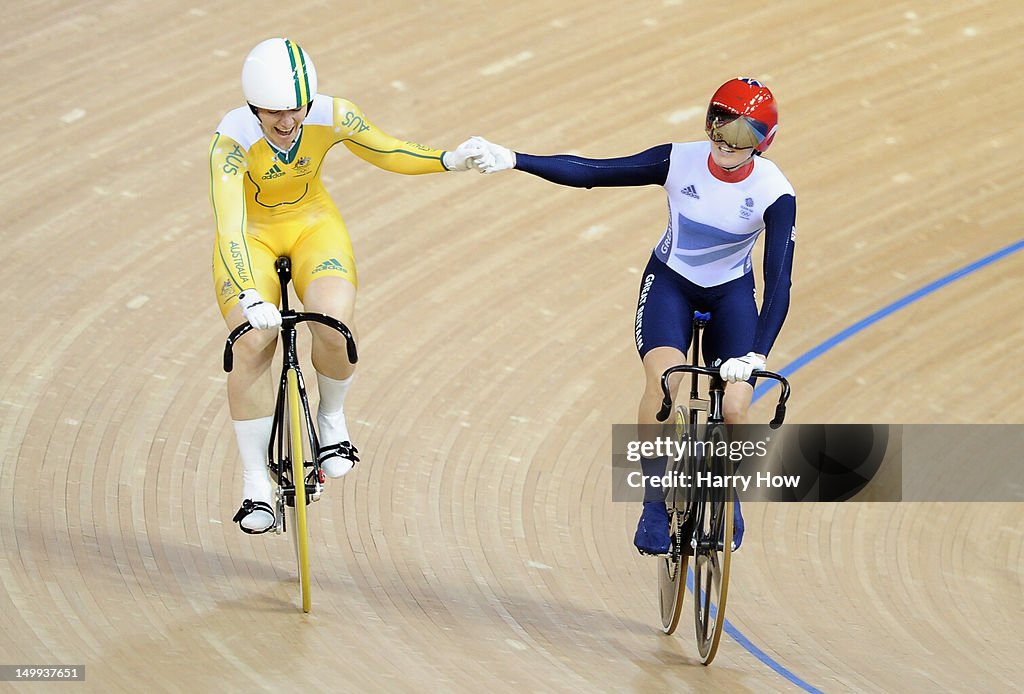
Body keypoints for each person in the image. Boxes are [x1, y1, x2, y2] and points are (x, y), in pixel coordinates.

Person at [466, 78, 796, 554]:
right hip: (671, 285)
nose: (724, 142)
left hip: (732, 296)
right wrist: (515, 158)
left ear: (763, 142)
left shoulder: (775, 192)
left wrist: (757, 354)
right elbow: (592, 172)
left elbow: (778, 283)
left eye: (741, 137)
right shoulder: (678, 160)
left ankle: (728, 493)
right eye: (718, 125)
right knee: (663, 385)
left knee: (736, 407)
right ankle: (654, 502)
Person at [209, 38, 482, 534]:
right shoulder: (230, 142)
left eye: (295, 110)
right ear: (253, 107)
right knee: (252, 343)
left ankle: (331, 421)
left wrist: (450, 159)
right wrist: (249, 294)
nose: (287, 123)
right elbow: (229, 228)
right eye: (273, 113)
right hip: (250, 241)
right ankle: (255, 484)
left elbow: (390, 150)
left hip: (314, 226)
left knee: (334, 326)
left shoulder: (333, 115)